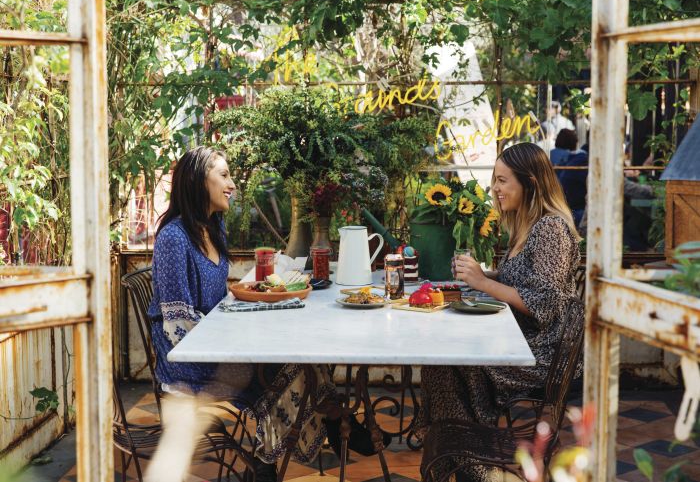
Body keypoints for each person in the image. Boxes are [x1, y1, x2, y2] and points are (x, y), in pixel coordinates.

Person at [147, 146, 381, 482]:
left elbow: (218, 298)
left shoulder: (214, 227)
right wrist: (238, 339)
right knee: (290, 367)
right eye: (224, 175)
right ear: (199, 181)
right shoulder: (174, 237)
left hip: (217, 341)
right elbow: (178, 325)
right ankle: (269, 461)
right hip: (188, 356)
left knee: (306, 357)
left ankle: (319, 430)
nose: (232, 185)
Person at [417, 143, 583, 482]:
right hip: (518, 341)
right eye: (495, 180)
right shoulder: (527, 226)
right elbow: (523, 284)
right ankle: (464, 457)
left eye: (503, 180)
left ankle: (472, 466)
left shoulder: (551, 228)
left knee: (446, 362)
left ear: (531, 183)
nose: (495, 188)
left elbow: (544, 302)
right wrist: (483, 276)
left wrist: (482, 282)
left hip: (537, 353)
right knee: (441, 360)